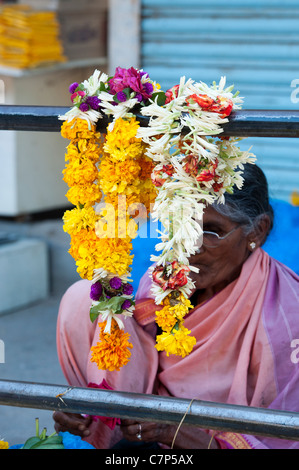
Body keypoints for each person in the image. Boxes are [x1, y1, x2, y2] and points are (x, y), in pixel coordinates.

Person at [53, 163, 299, 449]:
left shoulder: (286, 313)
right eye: (184, 225)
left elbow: (283, 435)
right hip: (146, 426)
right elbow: (133, 352)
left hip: (214, 441)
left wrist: (181, 433)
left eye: (212, 231)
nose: (192, 246)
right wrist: (84, 407)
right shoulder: (169, 272)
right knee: (91, 298)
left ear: (257, 231)